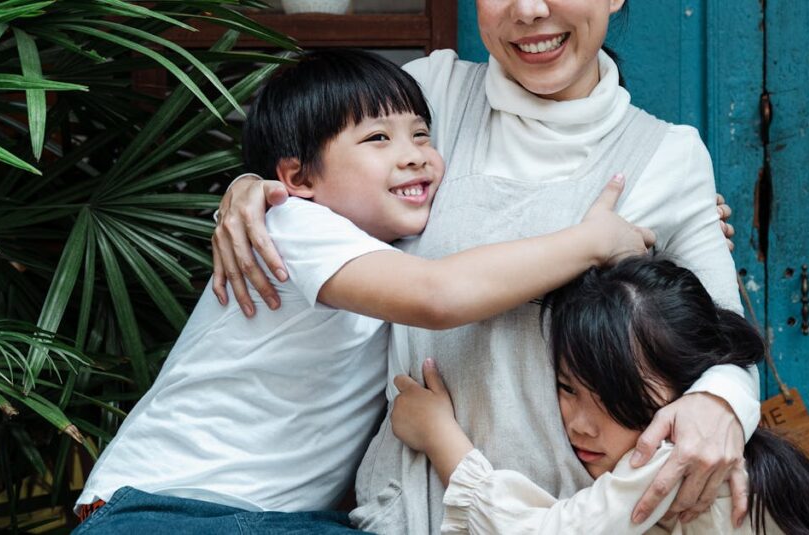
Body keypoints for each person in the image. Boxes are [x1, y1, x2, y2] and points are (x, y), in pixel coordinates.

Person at [213, 1, 759, 532]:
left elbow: (727, 341)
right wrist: (251, 189)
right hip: (405, 508)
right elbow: (325, 175)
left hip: (568, 514)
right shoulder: (432, 96)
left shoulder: (668, 155)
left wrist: (720, 403)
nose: (528, 11)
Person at [72, 49, 654, 534]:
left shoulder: (390, 248)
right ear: (298, 179)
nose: (415, 155)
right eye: (378, 138)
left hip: (273, 520)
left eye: (422, 135)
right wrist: (593, 241)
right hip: (165, 509)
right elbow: (440, 295)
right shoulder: (293, 225)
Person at [391, 257, 809, 534]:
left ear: (689, 388)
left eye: (613, 399)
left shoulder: (673, 460)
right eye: (568, 388)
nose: (580, 424)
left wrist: (439, 436)